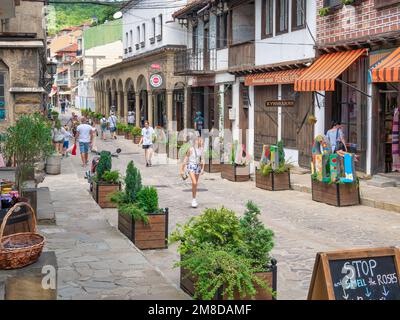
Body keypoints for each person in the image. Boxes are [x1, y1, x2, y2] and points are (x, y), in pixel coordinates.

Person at [180, 136, 205, 208]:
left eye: (202, 141)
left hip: (197, 167)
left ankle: (194, 199)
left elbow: (203, 159)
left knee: (195, 184)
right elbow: (185, 159)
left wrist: (203, 169)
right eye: (200, 141)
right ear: (196, 141)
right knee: (194, 182)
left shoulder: (201, 150)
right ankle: (194, 200)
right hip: (191, 166)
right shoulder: (191, 149)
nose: (201, 143)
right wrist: (181, 169)